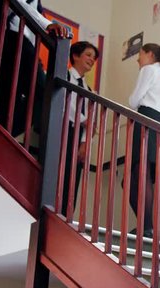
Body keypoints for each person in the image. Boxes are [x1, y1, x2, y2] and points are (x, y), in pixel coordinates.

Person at [0, 0, 68, 137]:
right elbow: (20, 4)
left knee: (10, 96)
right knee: (40, 92)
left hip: (22, 46)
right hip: (11, 41)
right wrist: (47, 24)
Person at [128, 43, 160, 238]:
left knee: (140, 174)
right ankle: (147, 226)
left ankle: (147, 227)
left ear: (149, 54)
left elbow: (133, 101)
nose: (138, 60)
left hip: (146, 119)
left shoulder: (149, 70)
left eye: (140, 54)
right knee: (140, 176)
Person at [60, 41, 99, 217]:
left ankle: (66, 216)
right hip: (61, 131)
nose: (92, 60)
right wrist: (84, 120)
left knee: (72, 179)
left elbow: (91, 122)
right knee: (58, 174)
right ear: (75, 55)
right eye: (88, 55)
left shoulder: (90, 90)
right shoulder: (63, 76)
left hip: (77, 137)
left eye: (94, 58)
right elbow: (62, 104)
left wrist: (84, 143)